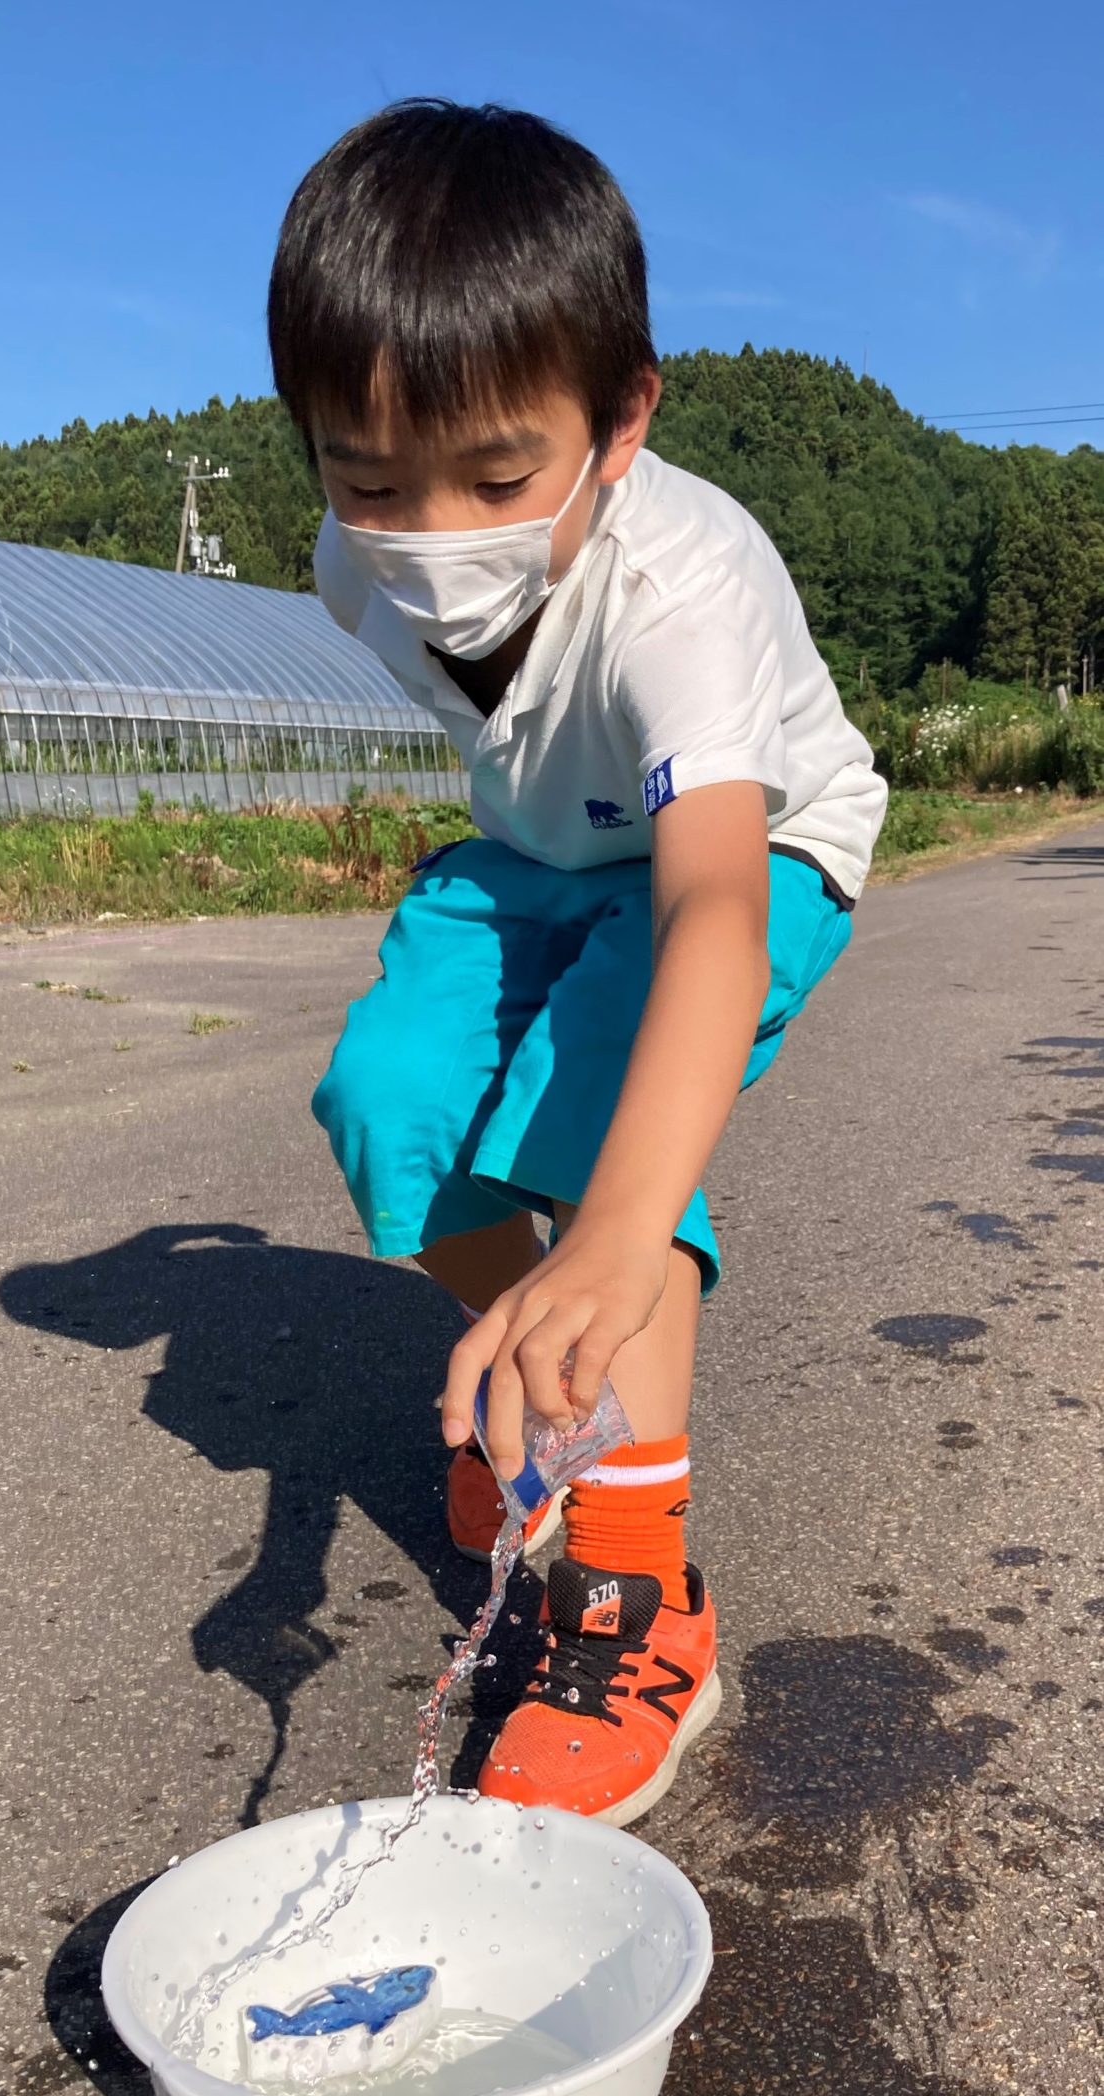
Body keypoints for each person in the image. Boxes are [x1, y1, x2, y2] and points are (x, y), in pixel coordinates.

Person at [267, 100, 885, 1824]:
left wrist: (611, 1235)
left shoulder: (682, 589)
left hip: (747, 854)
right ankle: (545, 1403)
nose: (423, 531)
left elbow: (709, 910)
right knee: (388, 1101)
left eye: (493, 479)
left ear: (621, 423)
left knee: (605, 1153)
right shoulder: (347, 573)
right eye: (365, 477)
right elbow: (508, 720)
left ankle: (634, 1596)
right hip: (541, 854)